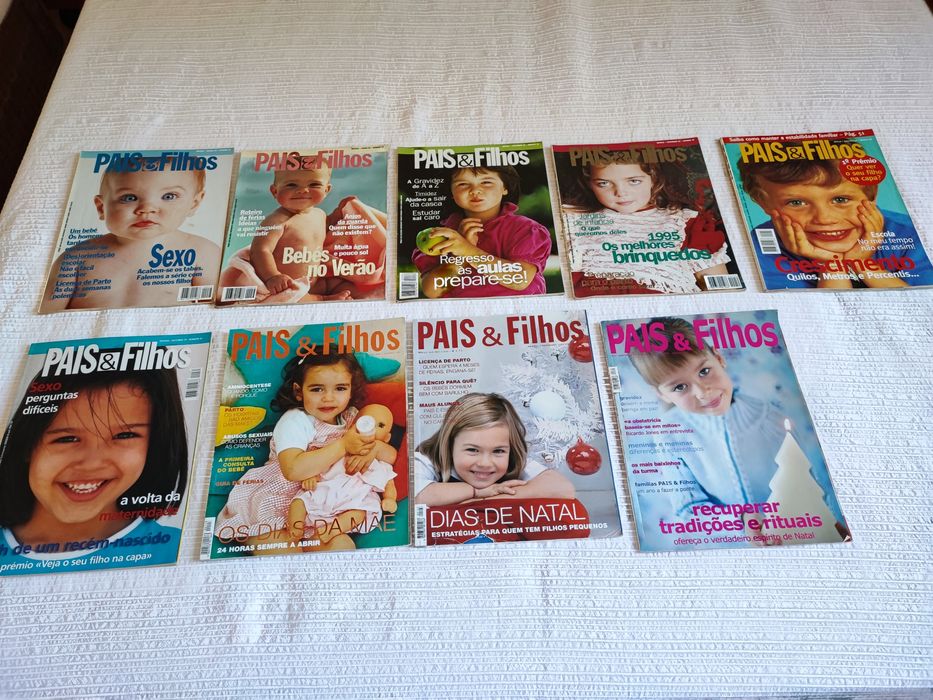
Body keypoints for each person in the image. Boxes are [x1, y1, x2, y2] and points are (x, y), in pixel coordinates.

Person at [0, 367, 188, 571]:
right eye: (66, 439)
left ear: (154, 446)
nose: (92, 463)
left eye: (124, 436)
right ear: (26, 445)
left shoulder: (174, 549)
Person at [214, 353, 397, 552]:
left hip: (320, 506)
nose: (328, 398)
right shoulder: (296, 420)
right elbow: (293, 469)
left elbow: (391, 456)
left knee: (342, 547)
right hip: (276, 500)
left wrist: (373, 449)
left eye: (340, 388)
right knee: (283, 552)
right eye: (317, 389)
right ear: (299, 391)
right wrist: (344, 445)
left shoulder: (351, 417)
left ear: (351, 390)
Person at [737, 143, 933, 289]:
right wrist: (831, 264)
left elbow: (921, 308)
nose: (824, 219)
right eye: (796, 203)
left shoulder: (911, 233)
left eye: (840, 199)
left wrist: (862, 263)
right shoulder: (761, 244)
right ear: (763, 203)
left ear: (871, 195)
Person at [43, 159, 220, 310]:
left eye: (169, 196)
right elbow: (46, 314)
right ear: (102, 207)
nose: (147, 208)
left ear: (194, 203)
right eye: (129, 198)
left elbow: (214, 311)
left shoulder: (203, 252)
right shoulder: (76, 258)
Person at [219, 164, 387, 303]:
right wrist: (272, 277)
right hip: (288, 283)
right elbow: (261, 250)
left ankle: (349, 296)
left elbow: (327, 228)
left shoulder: (319, 214)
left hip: (316, 279)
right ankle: (320, 299)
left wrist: (341, 212)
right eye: (292, 185)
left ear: (327, 189)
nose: (303, 190)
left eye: (314, 185)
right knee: (288, 296)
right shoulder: (276, 221)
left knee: (343, 284)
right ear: (274, 191)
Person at [561, 159, 731, 294]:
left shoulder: (684, 221)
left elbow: (719, 287)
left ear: (653, 178)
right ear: (590, 184)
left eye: (634, 181)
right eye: (603, 183)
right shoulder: (573, 218)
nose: (621, 192)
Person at [411, 166, 551, 298]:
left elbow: (519, 279)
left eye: (486, 182)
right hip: (463, 314)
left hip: (518, 312)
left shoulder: (524, 229)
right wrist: (459, 257)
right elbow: (432, 291)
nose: (475, 190)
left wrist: (467, 250)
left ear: (505, 187)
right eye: (463, 184)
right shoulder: (441, 234)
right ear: (451, 192)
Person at [414, 393, 573, 505]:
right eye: (473, 450)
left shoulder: (514, 460)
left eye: (498, 451)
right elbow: (417, 496)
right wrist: (476, 492)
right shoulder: (426, 459)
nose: (485, 463)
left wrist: (488, 500)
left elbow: (563, 488)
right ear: (449, 444)